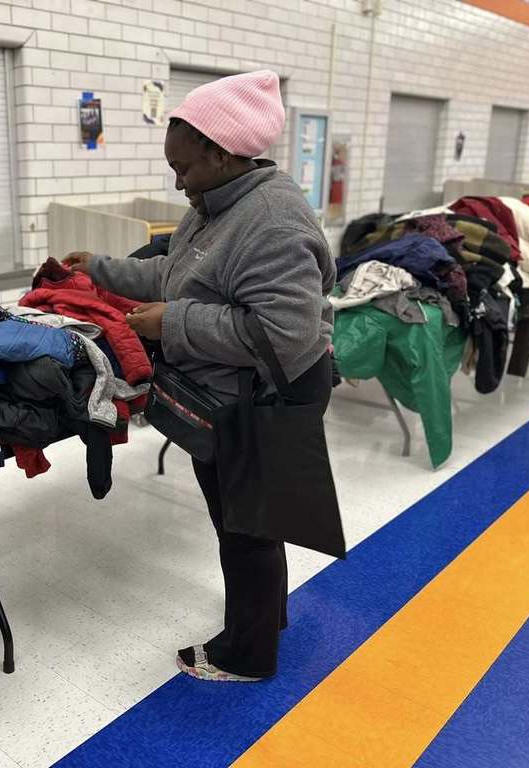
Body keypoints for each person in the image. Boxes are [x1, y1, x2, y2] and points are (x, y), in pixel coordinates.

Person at [64, 70, 336, 682]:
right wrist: (100, 270)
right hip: (238, 391)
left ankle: (247, 654)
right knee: (251, 519)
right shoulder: (217, 205)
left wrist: (174, 326)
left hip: (271, 394)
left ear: (222, 151)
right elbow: (176, 275)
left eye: (184, 167)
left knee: (246, 527)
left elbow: (286, 335)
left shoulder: (270, 218)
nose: (178, 181)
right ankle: (268, 616)